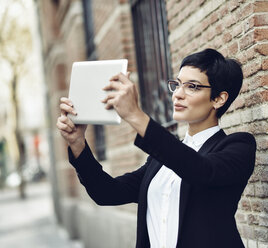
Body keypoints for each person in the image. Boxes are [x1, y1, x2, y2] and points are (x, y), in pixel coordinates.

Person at [56, 48, 256, 248]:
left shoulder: (239, 147)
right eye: (177, 85)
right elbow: (107, 192)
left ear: (218, 99)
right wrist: (77, 143)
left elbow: (201, 170)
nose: (178, 94)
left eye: (192, 86)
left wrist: (135, 115)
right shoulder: (160, 160)